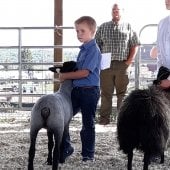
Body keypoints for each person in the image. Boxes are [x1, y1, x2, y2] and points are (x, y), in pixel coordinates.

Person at [59, 16, 101, 162]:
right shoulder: (83, 50)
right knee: (64, 118)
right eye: (77, 31)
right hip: (77, 91)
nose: (79, 34)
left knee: (87, 123)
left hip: (89, 91)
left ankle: (88, 155)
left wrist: (65, 75)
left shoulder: (93, 50)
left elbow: (85, 72)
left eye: (82, 31)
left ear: (92, 31)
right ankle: (66, 147)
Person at [95, 3, 140, 125]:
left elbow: (135, 45)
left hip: (122, 64)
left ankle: (122, 121)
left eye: (117, 9)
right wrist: (99, 62)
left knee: (122, 94)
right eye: (113, 9)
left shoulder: (129, 26)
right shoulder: (103, 27)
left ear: (122, 11)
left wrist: (129, 62)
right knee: (105, 93)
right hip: (106, 65)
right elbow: (96, 45)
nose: (115, 11)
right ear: (111, 11)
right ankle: (104, 119)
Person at [154, 0, 170, 89]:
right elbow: (159, 51)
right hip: (163, 77)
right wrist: (160, 72)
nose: (165, 1)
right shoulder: (161, 23)